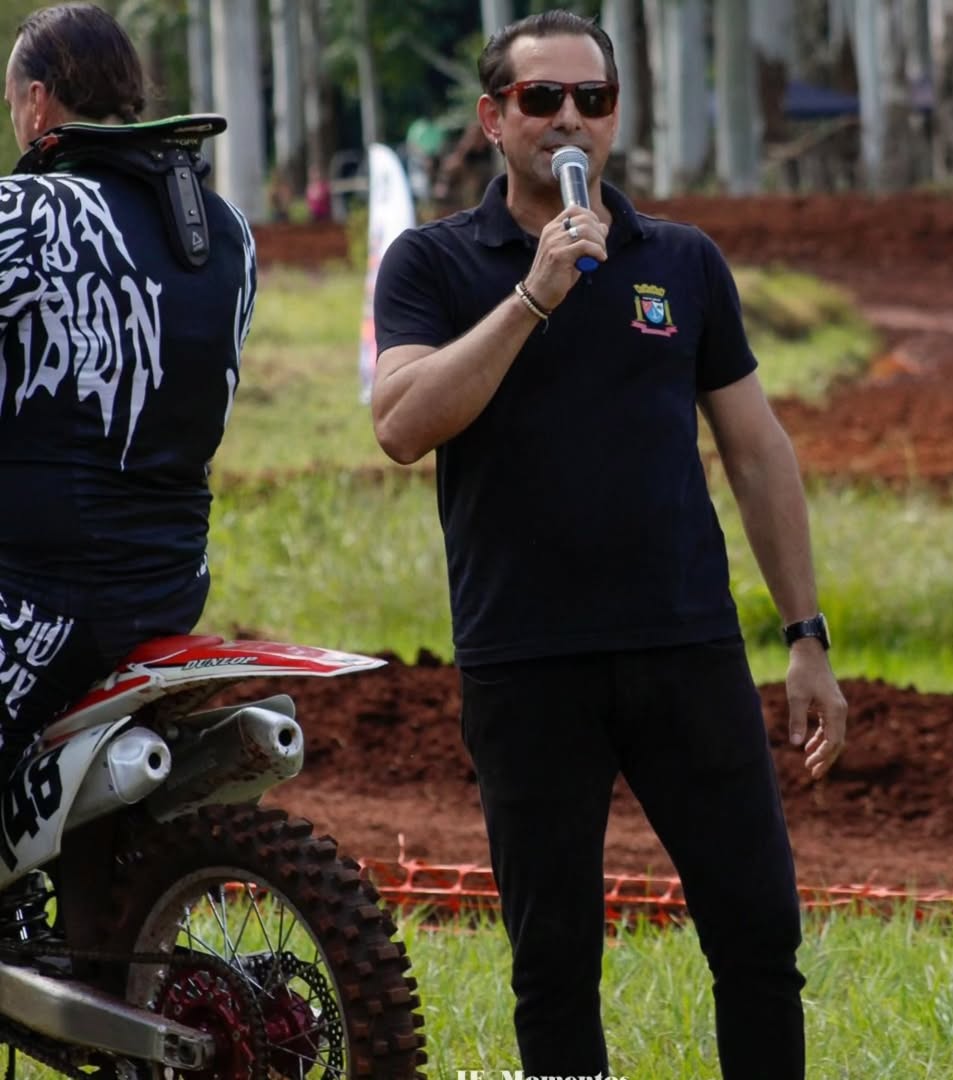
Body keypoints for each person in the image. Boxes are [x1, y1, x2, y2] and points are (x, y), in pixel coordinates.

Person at [372, 9, 846, 1079]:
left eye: (593, 99)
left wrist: (805, 634)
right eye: (542, 99)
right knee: (554, 965)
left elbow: (758, 452)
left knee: (759, 935)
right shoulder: (435, 263)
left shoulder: (681, 260)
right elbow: (401, 425)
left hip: (686, 647)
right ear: (493, 118)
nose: (569, 119)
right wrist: (533, 295)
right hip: (527, 660)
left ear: (616, 114)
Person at [0, 4, 256, 786]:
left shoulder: (23, 212)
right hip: (172, 582)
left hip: (37, 597)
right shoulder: (225, 228)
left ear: (37, 102)